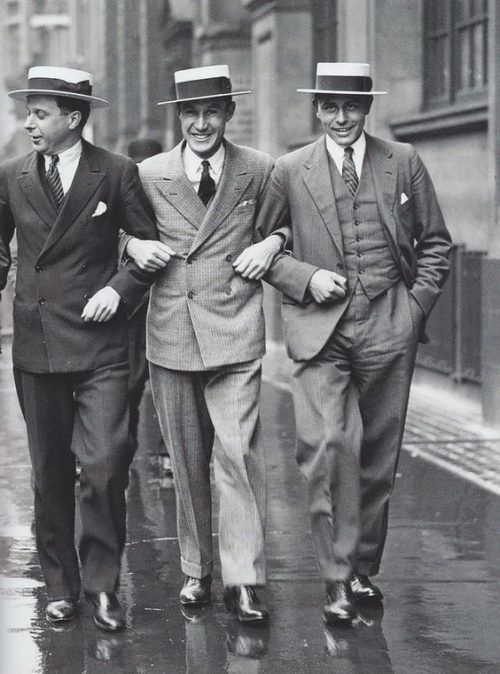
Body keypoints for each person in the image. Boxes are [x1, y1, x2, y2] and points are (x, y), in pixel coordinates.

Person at [238, 62, 452, 624]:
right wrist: (305, 279)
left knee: (377, 459)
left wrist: (413, 309)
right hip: (319, 330)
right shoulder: (288, 170)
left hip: (389, 323)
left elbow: (436, 244)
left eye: (351, 106)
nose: (340, 117)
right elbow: (264, 248)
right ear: (316, 110)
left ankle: (359, 568)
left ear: (367, 109)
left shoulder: (402, 161)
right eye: (329, 107)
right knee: (328, 446)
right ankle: (334, 577)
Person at [122, 65, 286, 624]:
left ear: (229, 113)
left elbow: (280, 224)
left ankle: (243, 579)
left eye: (211, 111)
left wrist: (273, 242)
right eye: (190, 113)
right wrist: (132, 247)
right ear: (178, 116)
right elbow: (123, 231)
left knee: (237, 454)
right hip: (171, 328)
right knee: (187, 459)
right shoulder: (148, 173)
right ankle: (197, 569)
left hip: (235, 327)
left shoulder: (258, 170)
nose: (201, 123)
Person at [0, 66, 159, 631]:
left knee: (103, 466)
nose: (29, 124)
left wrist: (118, 292)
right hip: (38, 347)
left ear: (73, 118)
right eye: (28, 113)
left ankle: (103, 587)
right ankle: (62, 586)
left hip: (104, 349)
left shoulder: (116, 173)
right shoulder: (10, 175)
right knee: (48, 472)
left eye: (39, 114)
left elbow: (149, 251)